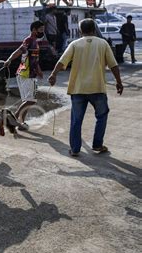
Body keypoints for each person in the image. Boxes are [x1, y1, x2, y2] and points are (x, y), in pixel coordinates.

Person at [48, 18, 123, 157]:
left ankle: (75, 149)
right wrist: (119, 82)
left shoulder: (75, 44)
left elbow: (61, 61)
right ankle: (97, 144)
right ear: (94, 29)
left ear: (80, 31)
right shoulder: (103, 43)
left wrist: (53, 75)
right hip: (97, 88)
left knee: (76, 120)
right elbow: (114, 65)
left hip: (78, 89)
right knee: (102, 116)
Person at [4, 20, 44, 130]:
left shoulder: (35, 43)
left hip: (28, 74)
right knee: (30, 100)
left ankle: (21, 123)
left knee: (27, 100)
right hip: (26, 74)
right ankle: (14, 118)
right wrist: (9, 60)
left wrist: (39, 71)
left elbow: (34, 60)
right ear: (34, 30)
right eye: (41, 30)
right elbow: (19, 51)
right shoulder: (29, 40)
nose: (42, 32)